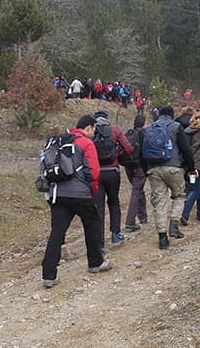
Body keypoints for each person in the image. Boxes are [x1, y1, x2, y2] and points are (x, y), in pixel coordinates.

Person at [41, 115, 113, 288]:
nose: (94, 132)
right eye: (94, 129)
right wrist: (92, 191)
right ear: (88, 127)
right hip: (80, 194)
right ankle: (95, 262)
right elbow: (94, 172)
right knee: (93, 223)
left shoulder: (59, 141)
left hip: (57, 194)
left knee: (57, 232)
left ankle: (49, 275)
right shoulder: (86, 143)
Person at [141, 106, 195, 249]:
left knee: (159, 203)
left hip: (153, 169)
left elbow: (141, 153)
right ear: (172, 115)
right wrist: (191, 168)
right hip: (174, 167)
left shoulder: (148, 129)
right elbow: (186, 150)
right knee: (179, 196)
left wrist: (146, 170)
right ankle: (174, 225)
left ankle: (162, 237)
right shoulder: (176, 127)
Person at [93, 110, 134, 250]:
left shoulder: (91, 131)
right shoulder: (114, 129)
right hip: (113, 171)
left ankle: (99, 242)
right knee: (114, 202)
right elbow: (128, 148)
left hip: (97, 173)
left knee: (98, 207)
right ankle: (116, 234)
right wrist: (117, 155)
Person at [123, 114, 148, 231]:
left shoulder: (129, 133)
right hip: (139, 166)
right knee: (136, 191)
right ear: (144, 123)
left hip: (128, 166)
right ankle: (130, 221)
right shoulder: (144, 133)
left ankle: (143, 216)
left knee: (138, 190)